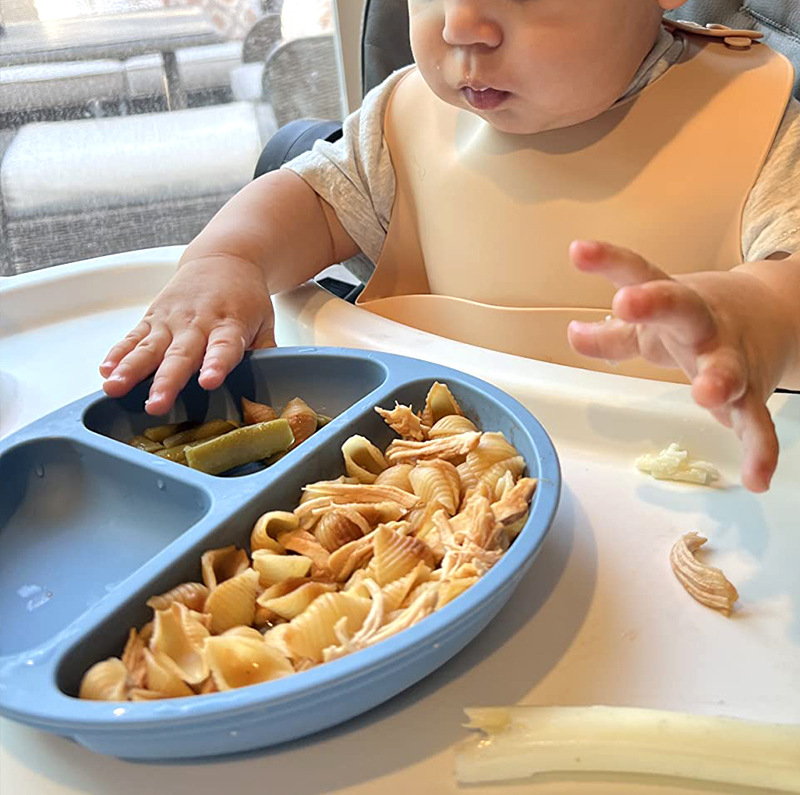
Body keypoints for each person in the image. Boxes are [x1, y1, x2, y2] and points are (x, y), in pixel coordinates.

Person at [99, 0, 800, 493]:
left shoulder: (756, 125)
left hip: (673, 491)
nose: (461, 22)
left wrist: (752, 315)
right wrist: (228, 261)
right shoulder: (409, 119)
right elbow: (313, 198)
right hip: (425, 479)